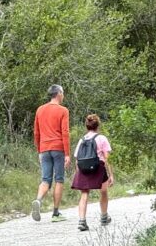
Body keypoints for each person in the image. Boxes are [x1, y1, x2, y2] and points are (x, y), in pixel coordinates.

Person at [32, 84, 70, 222]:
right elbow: (65, 132)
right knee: (59, 179)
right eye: (63, 92)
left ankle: (38, 200)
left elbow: (36, 132)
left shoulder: (40, 110)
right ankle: (55, 213)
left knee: (45, 179)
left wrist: (39, 151)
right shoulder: (63, 110)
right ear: (59, 93)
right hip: (58, 148)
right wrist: (67, 154)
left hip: (44, 148)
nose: (63, 95)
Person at [71, 114, 114, 232]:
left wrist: (78, 172)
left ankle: (82, 221)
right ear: (98, 125)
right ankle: (104, 217)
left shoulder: (82, 140)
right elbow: (107, 158)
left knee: (84, 194)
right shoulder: (102, 138)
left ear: (87, 126)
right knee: (103, 191)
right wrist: (111, 175)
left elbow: (77, 158)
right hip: (98, 167)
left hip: (83, 168)